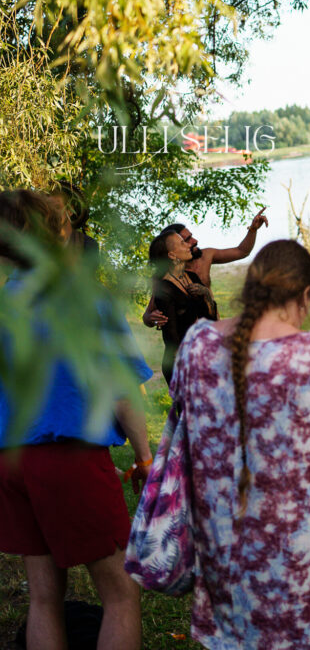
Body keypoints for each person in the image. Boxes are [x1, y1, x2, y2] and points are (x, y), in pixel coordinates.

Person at [165, 239, 310, 650]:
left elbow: (185, 403)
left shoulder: (196, 345)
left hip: (224, 573)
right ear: (305, 295)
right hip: (303, 588)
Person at [0, 189, 153, 650]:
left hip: (11, 462)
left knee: (44, 597)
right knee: (121, 592)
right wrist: (145, 456)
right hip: (68, 458)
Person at [142, 209, 268, 328]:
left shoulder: (206, 256)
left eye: (191, 236)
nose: (195, 241)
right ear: (172, 251)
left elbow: (242, 251)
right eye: (186, 240)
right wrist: (152, 319)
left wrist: (253, 229)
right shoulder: (169, 278)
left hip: (212, 327)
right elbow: (147, 316)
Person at [147, 228, 219, 386]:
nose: (188, 245)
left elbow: (212, 318)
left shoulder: (192, 277)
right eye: (182, 243)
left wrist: (206, 294)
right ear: (172, 255)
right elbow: (172, 339)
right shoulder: (164, 289)